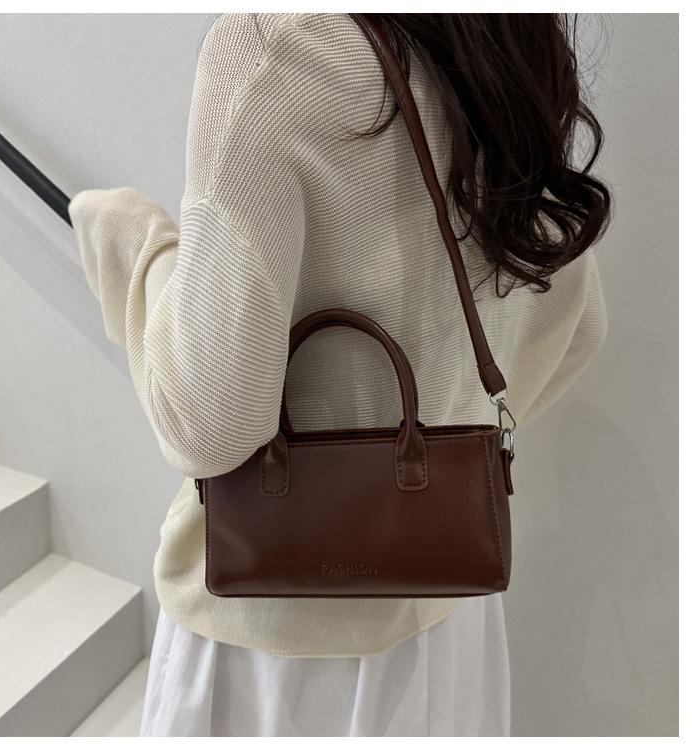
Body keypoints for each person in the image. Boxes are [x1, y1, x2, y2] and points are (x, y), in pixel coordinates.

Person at [68, 12, 610, 737]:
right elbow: (580, 328)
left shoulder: (273, 46)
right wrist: (452, 428)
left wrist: (137, 246)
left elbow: (208, 422)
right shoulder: (510, 39)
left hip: (267, 650)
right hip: (446, 623)